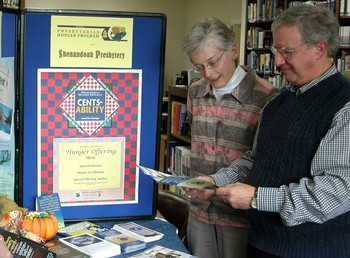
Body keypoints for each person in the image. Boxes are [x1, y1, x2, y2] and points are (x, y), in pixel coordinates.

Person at [186, 4, 350, 258]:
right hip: (262, 243)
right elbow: (256, 160)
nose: (277, 61)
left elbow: (336, 191)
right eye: (276, 50)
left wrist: (257, 199)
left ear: (319, 48)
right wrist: (216, 180)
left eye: (287, 51)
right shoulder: (278, 104)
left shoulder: (344, 105)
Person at [181, 17, 279, 258]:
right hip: (199, 212)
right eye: (199, 66)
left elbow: (261, 158)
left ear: (233, 50)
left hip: (240, 217)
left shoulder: (267, 97)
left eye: (213, 62)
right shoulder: (195, 91)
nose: (209, 73)